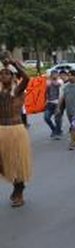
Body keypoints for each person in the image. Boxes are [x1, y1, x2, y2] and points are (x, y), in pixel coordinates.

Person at [0, 56, 31, 207]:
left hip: (15, 130)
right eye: (1, 73)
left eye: (6, 73)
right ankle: (17, 186)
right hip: (1, 130)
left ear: (12, 76)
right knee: (4, 164)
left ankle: (19, 190)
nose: (3, 76)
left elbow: (26, 77)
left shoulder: (17, 90)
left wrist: (14, 63)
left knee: (17, 163)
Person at [58, 70, 75, 149]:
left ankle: (73, 142)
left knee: (74, 126)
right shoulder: (64, 86)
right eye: (68, 75)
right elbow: (61, 98)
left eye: (71, 75)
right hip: (69, 110)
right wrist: (58, 108)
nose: (69, 77)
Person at [44, 71, 63, 139]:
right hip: (49, 102)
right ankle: (54, 129)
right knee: (46, 117)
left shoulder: (60, 81)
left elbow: (57, 84)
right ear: (51, 75)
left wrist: (52, 81)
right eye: (53, 74)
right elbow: (46, 92)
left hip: (58, 102)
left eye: (56, 74)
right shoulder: (48, 82)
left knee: (57, 119)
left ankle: (58, 131)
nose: (54, 76)